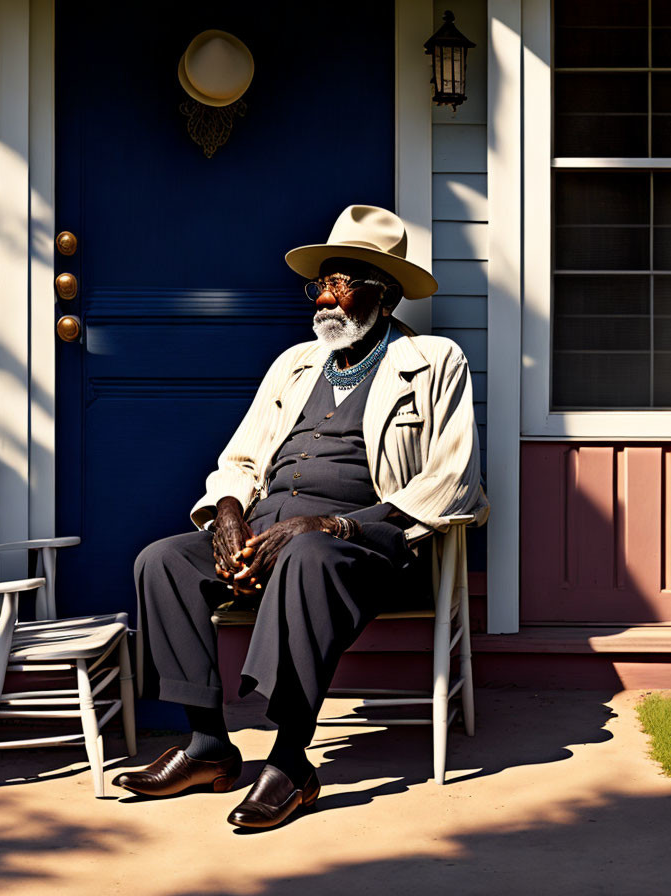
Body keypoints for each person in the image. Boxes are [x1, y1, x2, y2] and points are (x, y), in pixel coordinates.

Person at [114, 205, 488, 829]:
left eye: (342, 283)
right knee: (161, 560)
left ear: (385, 293)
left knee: (309, 557)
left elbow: (453, 479)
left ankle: (291, 762)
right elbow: (239, 456)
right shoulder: (294, 363)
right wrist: (229, 513)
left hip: (366, 545)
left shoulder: (434, 360)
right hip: (271, 535)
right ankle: (208, 743)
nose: (325, 298)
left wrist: (333, 525)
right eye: (321, 284)